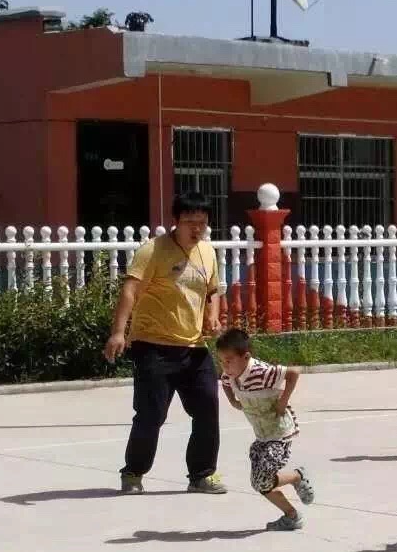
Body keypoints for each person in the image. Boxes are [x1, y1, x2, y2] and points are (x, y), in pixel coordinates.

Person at [104, 191, 226, 495]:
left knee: (208, 408)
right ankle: (133, 473)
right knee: (151, 415)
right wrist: (119, 333)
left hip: (194, 348)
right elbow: (130, 292)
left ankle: (201, 474)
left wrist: (212, 317)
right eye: (189, 222)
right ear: (176, 221)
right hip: (153, 347)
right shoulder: (153, 251)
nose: (196, 229)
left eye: (202, 223)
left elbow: (213, 291)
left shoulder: (208, 252)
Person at [216, 329, 315, 530]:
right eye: (222, 361)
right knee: (259, 483)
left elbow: (293, 373)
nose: (225, 366)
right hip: (262, 436)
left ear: (246, 357)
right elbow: (224, 382)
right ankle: (291, 516)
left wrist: (283, 402)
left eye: (229, 360)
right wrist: (232, 400)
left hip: (280, 433)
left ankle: (297, 477)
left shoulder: (262, 372)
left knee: (262, 479)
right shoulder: (231, 374)